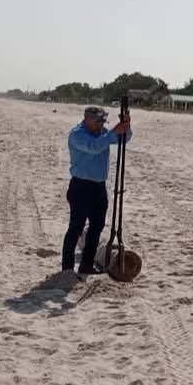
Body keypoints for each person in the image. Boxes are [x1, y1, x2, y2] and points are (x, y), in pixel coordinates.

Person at [63, 105, 132, 275]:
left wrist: (126, 125)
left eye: (103, 121)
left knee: (97, 227)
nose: (101, 125)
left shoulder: (103, 133)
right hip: (81, 187)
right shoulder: (77, 134)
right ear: (87, 119)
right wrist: (112, 132)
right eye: (97, 122)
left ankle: (86, 265)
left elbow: (124, 138)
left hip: (99, 187)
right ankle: (67, 268)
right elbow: (94, 147)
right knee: (76, 228)